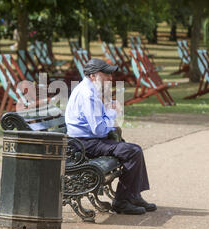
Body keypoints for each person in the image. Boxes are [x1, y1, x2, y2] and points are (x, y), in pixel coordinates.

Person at [65, 58, 156, 215]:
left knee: (131, 149)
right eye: (106, 74)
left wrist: (108, 111)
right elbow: (99, 130)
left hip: (86, 140)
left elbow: (99, 126)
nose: (110, 77)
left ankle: (132, 196)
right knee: (132, 151)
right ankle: (122, 202)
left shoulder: (89, 90)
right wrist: (112, 112)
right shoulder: (88, 95)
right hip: (84, 143)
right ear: (93, 76)